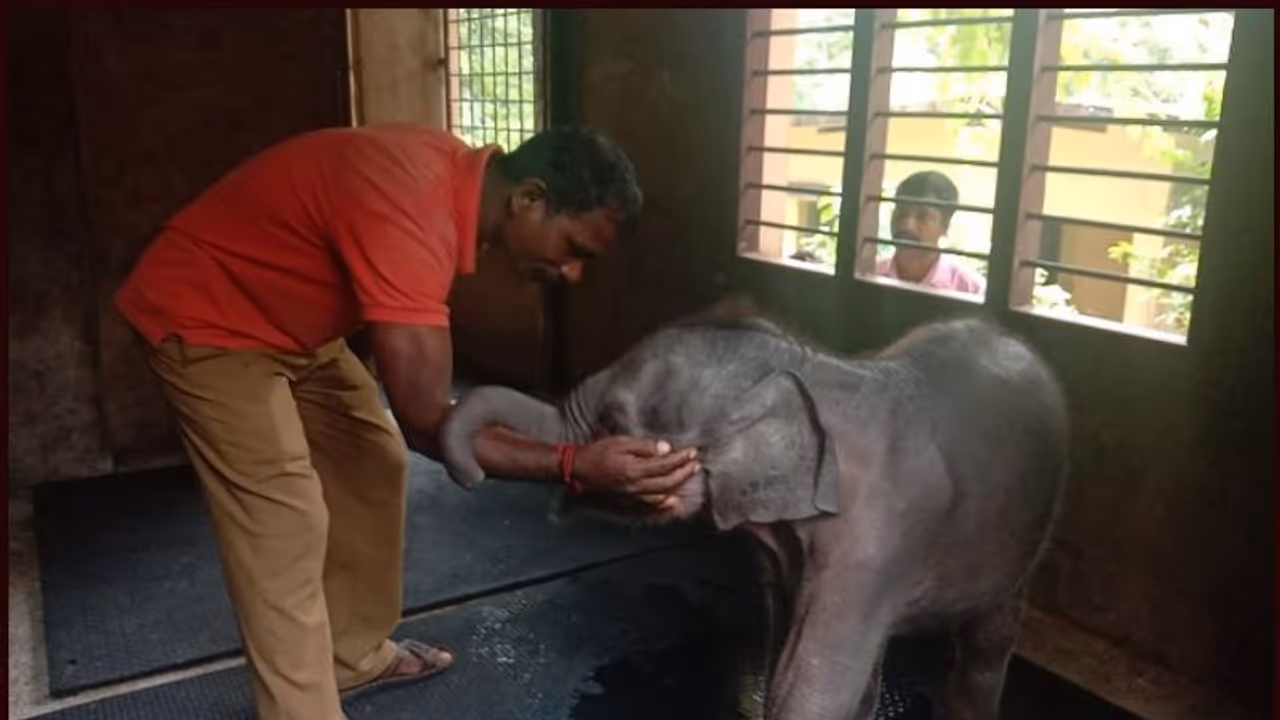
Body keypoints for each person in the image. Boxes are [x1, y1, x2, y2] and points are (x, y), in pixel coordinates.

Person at [113, 123, 701, 720]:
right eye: (575, 250)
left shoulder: (448, 183)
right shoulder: (414, 208)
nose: (572, 273)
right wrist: (575, 467)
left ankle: (351, 656)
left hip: (294, 329)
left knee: (373, 459)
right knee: (283, 517)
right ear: (529, 198)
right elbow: (428, 424)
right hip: (208, 317)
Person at [874, 170, 987, 295]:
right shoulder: (869, 275)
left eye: (923, 216)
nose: (907, 225)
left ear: (945, 225)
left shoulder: (971, 290)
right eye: (901, 211)